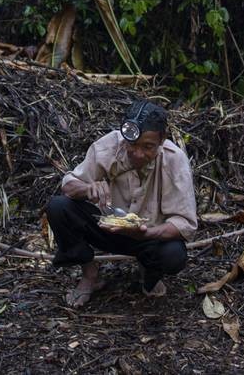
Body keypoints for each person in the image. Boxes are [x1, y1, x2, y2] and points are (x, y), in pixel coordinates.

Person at [46, 100, 197, 308]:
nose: (138, 154)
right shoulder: (109, 146)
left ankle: (150, 273)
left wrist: (145, 233)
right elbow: (69, 185)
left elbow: (185, 223)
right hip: (107, 228)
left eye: (148, 147)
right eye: (132, 145)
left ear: (162, 139)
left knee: (174, 255)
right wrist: (87, 189)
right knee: (58, 207)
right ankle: (90, 275)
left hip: (148, 236)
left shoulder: (174, 161)